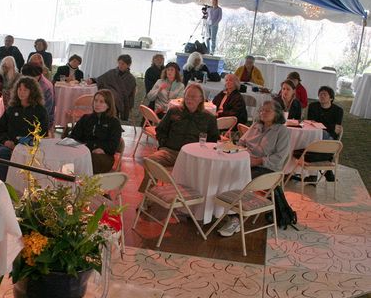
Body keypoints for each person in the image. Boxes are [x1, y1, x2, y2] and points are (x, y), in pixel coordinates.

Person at [216, 101, 292, 237]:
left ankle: (236, 218)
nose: (263, 112)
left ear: (277, 114)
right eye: (262, 110)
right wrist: (235, 150)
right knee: (220, 169)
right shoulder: (257, 125)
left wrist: (256, 161)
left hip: (266, 169)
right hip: (244, 161)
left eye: (268, 111)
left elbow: (279, 158)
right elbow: (242, 142)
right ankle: (220, 208)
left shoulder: (282, 131)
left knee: (239, 178)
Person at [138, 84, 220, 191]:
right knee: (150, 161)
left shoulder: (209, 118)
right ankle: (148, 195)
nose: (189, 99)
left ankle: (189, 198)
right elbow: (160, 130)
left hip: (193, 157)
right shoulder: (174, 111)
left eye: (193, 97)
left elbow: (213, 141)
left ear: (201, 99)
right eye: (187, 96)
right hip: (170, 152)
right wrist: (163, 144)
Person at [0, 76, 49, 181]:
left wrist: (27, 143)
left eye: (25, 90)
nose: (21, 92)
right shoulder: (11, 109)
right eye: (19, 89)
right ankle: (1, 185)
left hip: (30, 147)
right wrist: (5, 141)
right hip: (9, 146)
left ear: (32, 92)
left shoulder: (40, 111)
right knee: (2, 154)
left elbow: (43, 133)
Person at [67, 89, 123, 174]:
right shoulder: (86, 118)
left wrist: (98, 147)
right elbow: (73, 136)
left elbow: (113, 146)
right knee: (67, 157)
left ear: (108, 105)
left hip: (103, 157)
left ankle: (84, 185)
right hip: (83, 152)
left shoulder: (114, 123)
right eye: (96, 101)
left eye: (101, 102)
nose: (97, 104)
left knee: (87, 162)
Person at [300, 86, 343, 183]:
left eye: (325, 94)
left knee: (322, 135)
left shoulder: (338, 110)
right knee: (313, 137)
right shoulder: (313, 106)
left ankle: (313, 175)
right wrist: (330, 126)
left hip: (330, 139)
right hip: (314, 135)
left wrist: (322, 126)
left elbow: (336, 130)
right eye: (320, 94)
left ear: (331, 98)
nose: (322, 96)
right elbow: (311, 123)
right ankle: (325, 167)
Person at [95, 54, 136, 121]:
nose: (120, 65)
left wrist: (113, 93)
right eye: (119, 63)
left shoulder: (131, 79)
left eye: (123, 64)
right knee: (103, 98)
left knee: (111, 100)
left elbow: (126, 93)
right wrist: (92, 80)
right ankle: (103, 122)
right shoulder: (112, 72)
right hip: (109, 97)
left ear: (128, 65)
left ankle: (112, 123)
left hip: (122, 100)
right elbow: (100, 79)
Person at [21, 63, 55, 128]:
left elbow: (45, 111)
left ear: (37, 75)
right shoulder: (33, 81)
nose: (27, 80)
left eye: (29, 78)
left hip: (41, 119)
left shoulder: (45, 87)